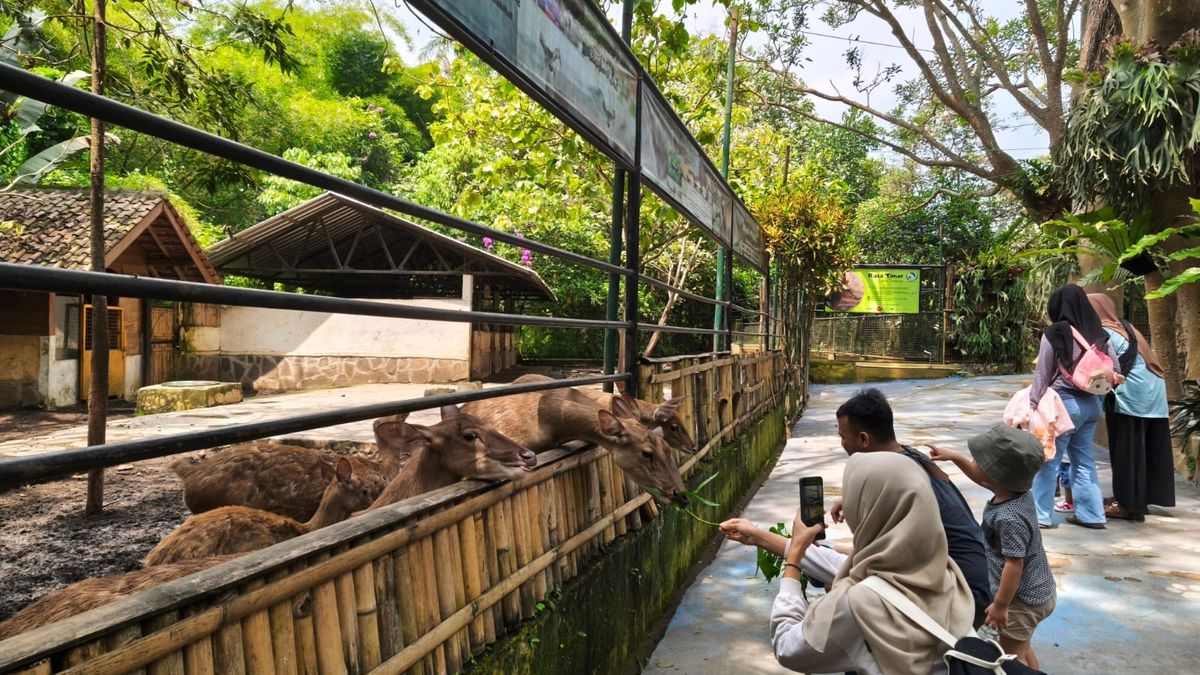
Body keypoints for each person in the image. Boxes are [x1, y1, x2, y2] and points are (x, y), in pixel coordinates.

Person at [740, 452, 975, 674]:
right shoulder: (945, 571)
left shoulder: (858, 605)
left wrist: (793, 562)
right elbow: (846, 565)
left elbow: (787, 646)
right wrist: (759, 536)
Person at [928, 425, 1057, 670]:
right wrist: (955, 457)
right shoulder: (1015, 491)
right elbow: (981, 477)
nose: (974, 463)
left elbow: (1014, 564)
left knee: (1011, 657)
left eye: (978, 460)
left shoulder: (1008, 517)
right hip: (1039, 593)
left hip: (1023, 600)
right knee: (1023, 645)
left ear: (995, 476)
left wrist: (1001, 605)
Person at [1029, 284, 1123, 529]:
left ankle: (1040, 515)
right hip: (1091, 406)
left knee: (1049, 460)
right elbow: (1115, 369)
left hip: (1063, 404)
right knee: (1084, 460)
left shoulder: (1056, 332)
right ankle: (1092, 515)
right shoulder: (1100, 333)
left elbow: (1042, 372)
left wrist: (1033, 403)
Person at [1087, 293, 1176, 521]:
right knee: (1144, 448)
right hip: (1153, 391)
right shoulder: (1124, 327)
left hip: (1132, 395)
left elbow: (1100, 367)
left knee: (1126, 449)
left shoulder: (1104, 331)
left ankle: (1127, 504)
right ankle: (1138, 499)